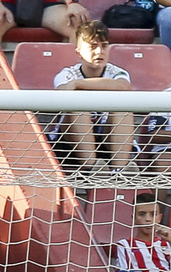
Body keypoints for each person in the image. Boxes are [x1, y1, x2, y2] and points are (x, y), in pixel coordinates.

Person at [51, 21, 136, 173]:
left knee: (124, 111)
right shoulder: (66, 74)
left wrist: (79, 84)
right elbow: (64, 90)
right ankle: (92, 167)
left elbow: (122, 86)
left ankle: (121, 170)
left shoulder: (117, 72)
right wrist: (77, 85)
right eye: (92, 46)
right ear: (78, 52)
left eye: (104, 46)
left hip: (106, 141)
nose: (99, 52)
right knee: (78, 107)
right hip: (70, 144)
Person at [0, 0, 90, 42]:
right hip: (4, 4)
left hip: (46, 5)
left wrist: (72, 3)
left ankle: (73, 80)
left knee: (78, 23)